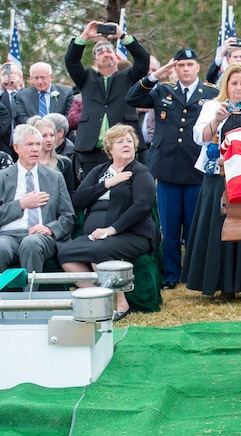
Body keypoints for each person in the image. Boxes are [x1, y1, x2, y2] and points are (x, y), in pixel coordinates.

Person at [125, 49, 219, 291]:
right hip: (167, 167)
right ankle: (171, 274)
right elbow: (132, 99)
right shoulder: (163, 91)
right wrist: (155, 75)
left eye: (189, 64)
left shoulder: (210, 93)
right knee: (168, 225)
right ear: (174, 69)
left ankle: (192, 273)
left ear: (198, 67)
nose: (185, 69)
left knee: (194, 225)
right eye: (180, 65)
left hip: (196, 167)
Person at [184, 62, 241, 304]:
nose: (238, 88)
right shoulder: (212, 106)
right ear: (226, 85)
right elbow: (199, 138)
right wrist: (216, 120)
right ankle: (222, 286)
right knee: (219, 227)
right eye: (233, 83)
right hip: (218, 176)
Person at [58, 124, 158, 321]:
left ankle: (121, 303)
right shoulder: (99, 171)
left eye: (130, 141)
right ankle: (99, 296)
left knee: (99, 250)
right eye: (120, 142)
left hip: (132, 233)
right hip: (96, 234)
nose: (126, 144)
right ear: (109, 148)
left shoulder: (140, 171)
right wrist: (107, 184)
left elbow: (142, 205)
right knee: (65, 254)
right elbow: (79, 199)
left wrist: (112, 229)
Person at [64, 21, 149, 181]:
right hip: (92, 150)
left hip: (123, 150)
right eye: (100, 51)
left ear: (116, 58)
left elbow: (143, 59)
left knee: (124, 193)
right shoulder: (86, 78)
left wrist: (122, 35)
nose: (105, 53)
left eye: (109, 50)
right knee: (92, 192)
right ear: (95, 61)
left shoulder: (128, 77)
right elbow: (71, 60)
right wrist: (85, 35)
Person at [0, 124, 74, 288]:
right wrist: (20, 204)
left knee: (31, 243)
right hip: (8, 235)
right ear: (16, 147)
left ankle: (29, 303)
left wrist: (49, 229)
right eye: (29, 144)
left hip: (41, 235)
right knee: (1, 247)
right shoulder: (2, 178)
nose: (35, 149)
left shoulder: (54, 177)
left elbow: (68, 216)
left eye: (37, 144)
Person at [29, 118, 74, 197]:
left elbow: (70, 194)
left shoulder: (64, 163)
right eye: (44, 136)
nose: (49, 140)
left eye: (52, 135)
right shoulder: (28, 164)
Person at [0, 62, 23, 159]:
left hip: (22, 142)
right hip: (3, 142)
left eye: (13, 73)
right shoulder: (1, 94)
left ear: (20, 77)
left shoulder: (24, 94)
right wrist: (1, 87)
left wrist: (17, 88)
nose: (9, 77)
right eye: (5, 74)